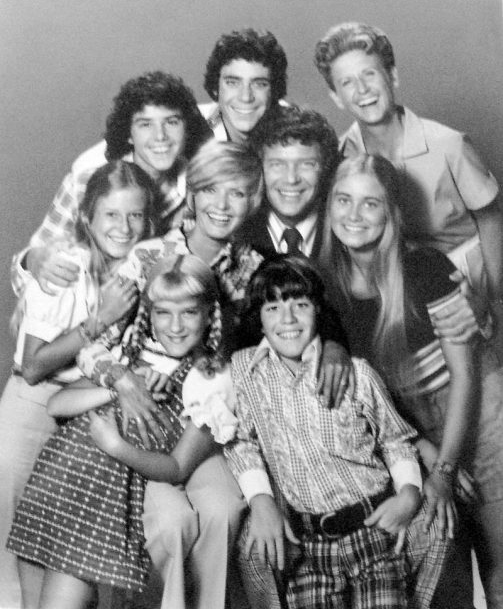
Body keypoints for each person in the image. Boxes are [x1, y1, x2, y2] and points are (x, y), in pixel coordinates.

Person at [318, 154, 503, 608]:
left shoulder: (424, 268)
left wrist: (443, 471)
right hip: (403, 429)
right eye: (343, 200)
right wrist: (423, 450)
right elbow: (373, 398)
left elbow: (465, 378)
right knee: (439, 569)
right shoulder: (323, 280)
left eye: (370, 204)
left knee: (500, 569)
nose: (354, 216)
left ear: (391, 212)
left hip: (477, 413)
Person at [7, 254, 238, 609]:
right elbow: (57, 405)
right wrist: (119, 387)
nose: (175, 326)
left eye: (189, 312)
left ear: (210, 315)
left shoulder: (209, 380)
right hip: (57, 487)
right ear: (150, 315)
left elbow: (176, 468)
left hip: (102, 503)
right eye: (163, 312)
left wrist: (114, 445)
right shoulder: (131, 357)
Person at [225, 255, 426, 609]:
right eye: (272, 307)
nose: (287, 319)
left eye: (300, 305)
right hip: (310, 548)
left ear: (319, 310)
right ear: (259, 318)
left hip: (372, 532)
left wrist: (409, 494)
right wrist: (260, 499)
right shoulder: (245, 374)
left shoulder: (357, 374)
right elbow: (243, 444)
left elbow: (395, 440)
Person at [0, 161, 158, 609]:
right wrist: (99, 320)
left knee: (64, 528)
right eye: (111, 215)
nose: (124, 227)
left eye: (135, 216)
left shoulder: (138, 267)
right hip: (36, 399)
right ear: (87, 217)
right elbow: (33, 366)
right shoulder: (68, 266)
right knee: (11, 519)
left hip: (87, 399)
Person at [314, 21, 503, 350]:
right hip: (399, 286)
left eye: (370, 74)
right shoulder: (343, 157)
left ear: (393, 76)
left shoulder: (449, 144)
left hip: (467, 277)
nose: (362, 90)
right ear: (336, 97)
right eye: (347, 82)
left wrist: (490, 297)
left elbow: (491, 220)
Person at [11, 71, 212, 297]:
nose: (160, 136)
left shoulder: (202, 187)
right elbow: (22, 282)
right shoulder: (86, 182)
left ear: (186, 128)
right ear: (128, 134)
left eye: (172, 122)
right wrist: (35, 260)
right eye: (146, 124)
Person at [236, 104, 338, 259]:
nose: (291, 179)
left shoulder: (344, 233)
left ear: (325, 168)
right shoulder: (237, 234)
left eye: (306, 164)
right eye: (277, 165)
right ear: (259, 169)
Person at [201, 28, 288, 144]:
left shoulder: (294, 129)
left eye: (259, 84)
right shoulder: (191, 128)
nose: (246, 97)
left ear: (274, 90)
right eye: (232, 83)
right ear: (216, 88)